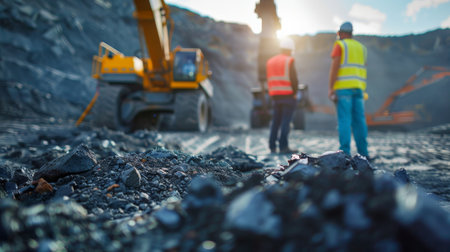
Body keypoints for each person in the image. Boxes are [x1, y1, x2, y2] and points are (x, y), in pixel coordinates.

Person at [328, 21, 369, 158]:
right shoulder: (361, 48)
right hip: (359, 89)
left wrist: (331, 88)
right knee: (359, 121)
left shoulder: (340, 45)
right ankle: (363, 153)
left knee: (344, 120)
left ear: (340, 33)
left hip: (343, 89)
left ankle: (345, 153)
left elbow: (335, 67)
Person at [266, 37, 298, 154]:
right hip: (288, 96)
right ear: (290, 50)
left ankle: (272, 146)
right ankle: (283, 147)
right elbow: (294, 79)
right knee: (285, 121)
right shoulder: (289, 60)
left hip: (275, 96)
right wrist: (294, 93)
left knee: (275, 121)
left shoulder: (271, 61)